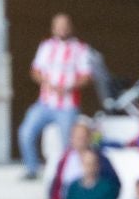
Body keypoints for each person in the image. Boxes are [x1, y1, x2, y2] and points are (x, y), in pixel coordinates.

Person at [18, 14, 92, 180]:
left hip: (68, 106)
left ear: (70, 27)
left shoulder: (80, 48)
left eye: (65, 25)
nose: (62, 28)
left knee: (69, 141)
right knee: (26, 131)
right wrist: (48, 83)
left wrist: (68, 87)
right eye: (58, 25)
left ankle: (67, 173)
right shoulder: (45, 47)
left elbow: (87, 77)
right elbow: (35, 71)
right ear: (53, 28)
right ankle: (32, 168)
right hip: (45, 103)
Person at [47, 118, 119, 199]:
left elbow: (113, 185)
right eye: (77, 137)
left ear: (89, 138)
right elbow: (56, 184)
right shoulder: (65, 159)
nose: (80, 141)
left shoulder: (100, 159)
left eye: (83, 137)